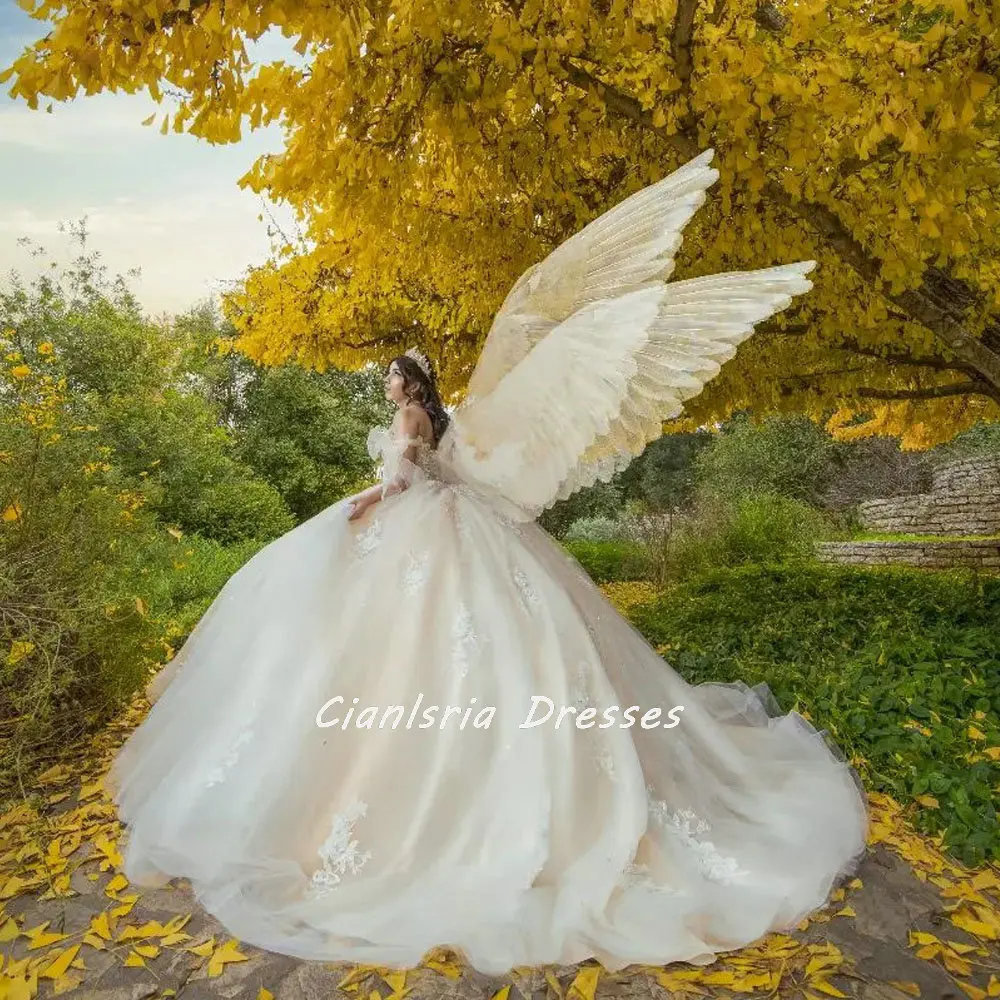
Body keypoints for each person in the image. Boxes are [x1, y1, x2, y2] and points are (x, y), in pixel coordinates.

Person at [106, 148, 868, 975]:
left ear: (409, 388)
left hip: (421, 525)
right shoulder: (452, 423)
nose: (390, 385)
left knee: (408, 651)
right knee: (477, 646)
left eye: (395, 377)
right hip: (456, 525)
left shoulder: (410, 429)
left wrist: (358, 508)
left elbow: (400, 480)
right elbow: (441, 470)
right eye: (393, 378)